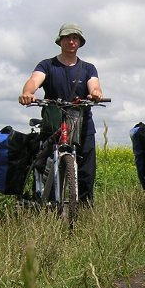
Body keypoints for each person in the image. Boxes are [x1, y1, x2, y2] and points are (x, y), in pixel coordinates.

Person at [19, 23, 104, 203]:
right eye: (67, 37)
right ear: (60, 41)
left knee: (86, 172)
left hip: (83, 125)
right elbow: (34, 80)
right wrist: (28, 92)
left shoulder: (88, 68)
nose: (71, 41)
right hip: (54, 123)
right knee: (47, 167)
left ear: (80, 42)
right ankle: (47, 204)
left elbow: (94, 85)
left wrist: (95, 93)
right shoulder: (47, 65)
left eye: (75, 38)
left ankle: (84, 209)